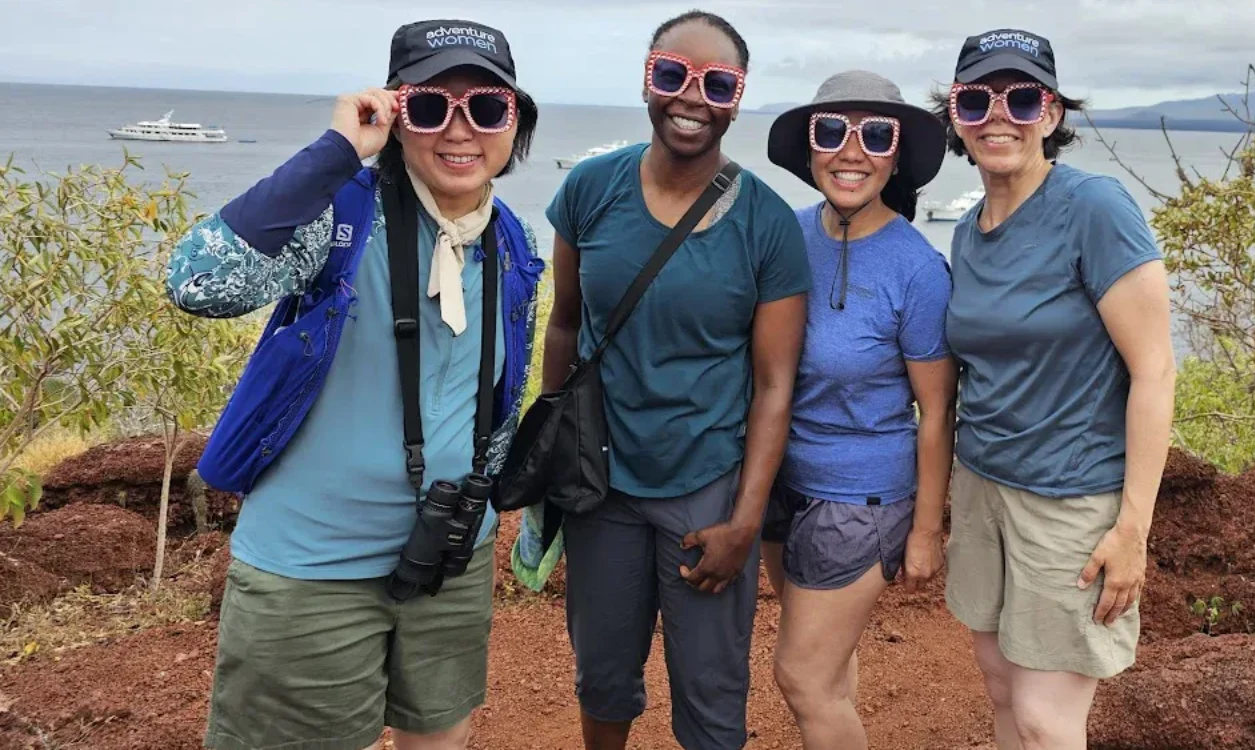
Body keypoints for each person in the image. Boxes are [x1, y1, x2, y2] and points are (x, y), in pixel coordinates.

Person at [166, 19, 544, 750]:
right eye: (429, 107)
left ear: (514, 123)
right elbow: (199, 281)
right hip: (313, 565)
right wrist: (337, 151)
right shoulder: (342, 217)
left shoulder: (512, 242)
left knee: (442, 736)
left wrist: (487, 505)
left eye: (486, 107)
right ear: (394, 116)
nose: (460, 129)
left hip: (450, 552)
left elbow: (500, 394)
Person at [539, 9, 811, 750]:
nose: (691, 98)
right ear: (647, 80)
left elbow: (774, 384)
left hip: (707, 487)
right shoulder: (590, 190)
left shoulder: (766, 224)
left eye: (717, 84)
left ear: (737, 99)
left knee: (711, 693)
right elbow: (564, 325)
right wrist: (552, 449)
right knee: (602, 676)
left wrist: (745, 522)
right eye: (672, 74)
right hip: (601, 482)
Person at [933, 28, 1176, 750]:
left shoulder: (1094, 209)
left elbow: (1155, 370)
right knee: (999, 685)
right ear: (956, 117)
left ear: (1052, 113)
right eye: (975, 100)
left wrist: (1133, 529)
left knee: (1046, 720)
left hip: (1070, 500)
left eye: (1021, 98)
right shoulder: (969, 231)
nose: (997, 116)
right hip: (983, 487)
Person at [760, 70, 955, 749]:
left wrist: (926, 530)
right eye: (831, 131)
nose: (852, 151)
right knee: (830, 669)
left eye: (875, 135)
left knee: (802, 677)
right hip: (781, 483)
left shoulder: (917, 269)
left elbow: (937, 412)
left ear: (896, 157)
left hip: (860, 500)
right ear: (810, 148)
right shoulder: (785, 235)